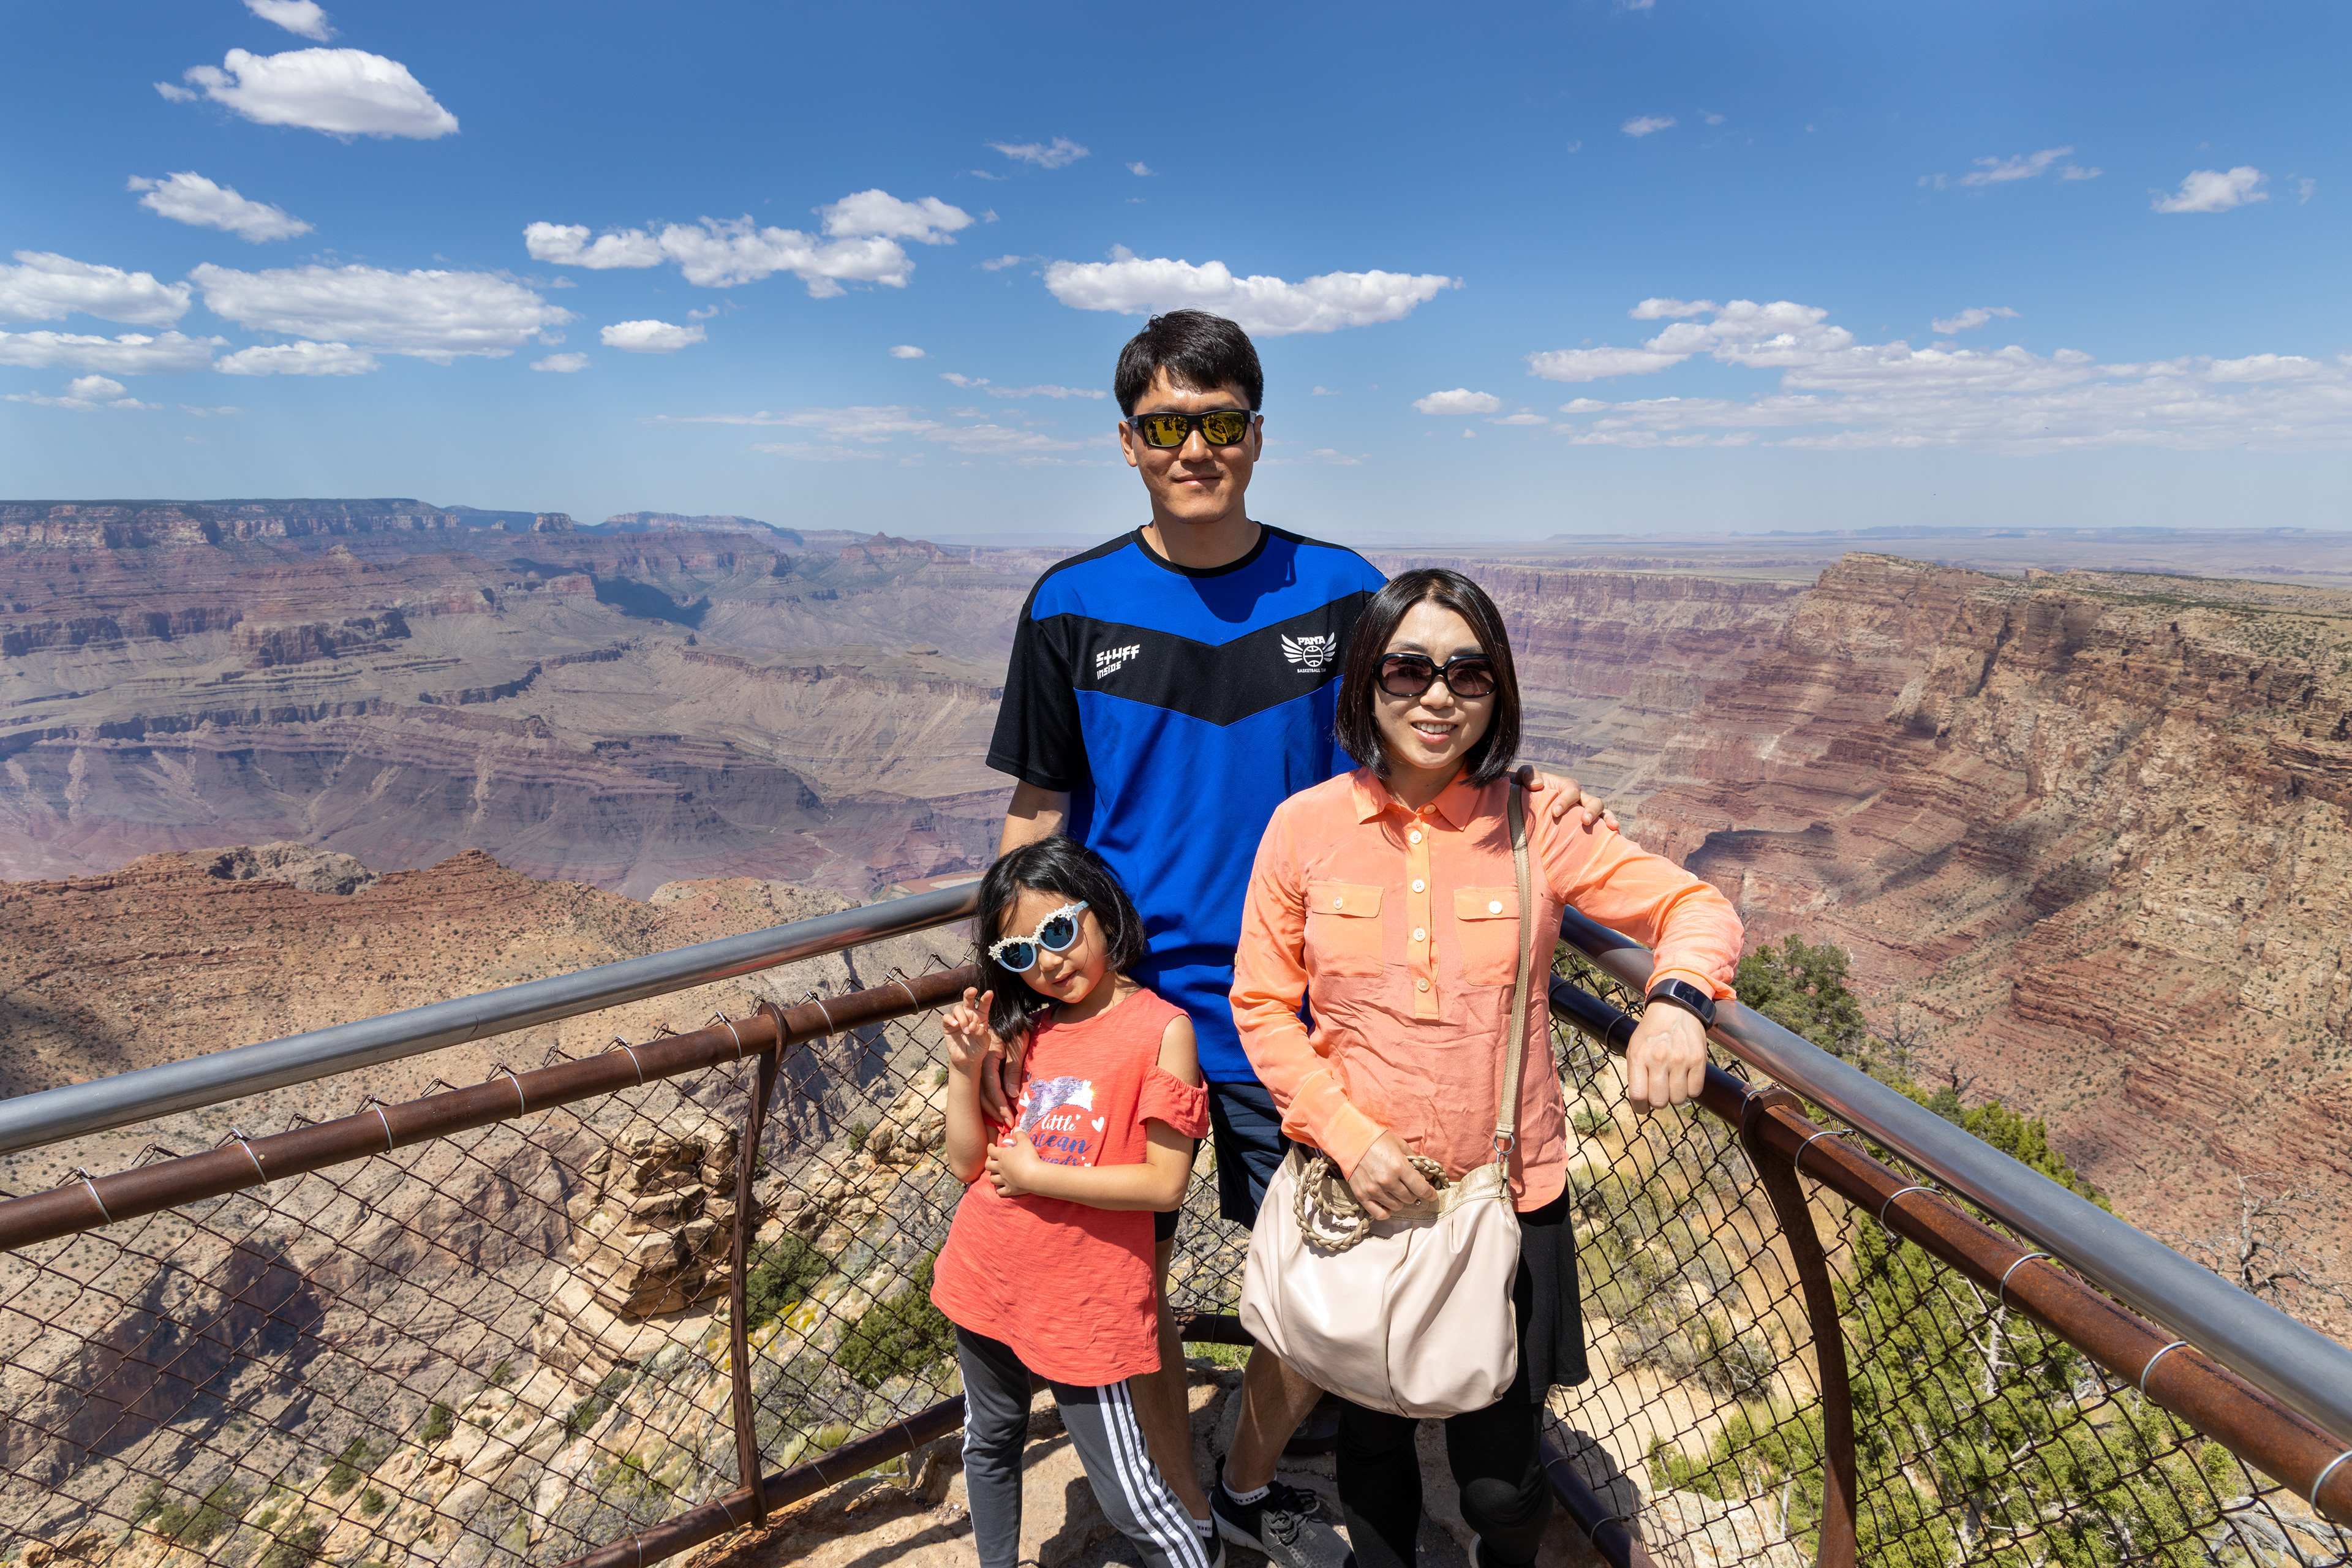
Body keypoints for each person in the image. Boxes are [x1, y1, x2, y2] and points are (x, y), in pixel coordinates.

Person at [985, 309, 1610, 1568]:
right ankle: (1183, 1508)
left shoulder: (1338, 591)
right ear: (1128, 441)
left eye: (1220, 421)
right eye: (1167, 424)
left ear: (1258, 435)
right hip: (1122, 1012)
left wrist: (1534, 802)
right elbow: (1040, 814)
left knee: (1329, 1278)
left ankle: (1243, 1482)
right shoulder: (1069, 605)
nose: (1195, 447)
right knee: (1126, 1286)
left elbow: (1417, 756)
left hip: (1300, 1021)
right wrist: (1006, 989)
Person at [1229, 568, 1744, 1568]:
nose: (1438, 695)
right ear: (1366, 683)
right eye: (1407, 670)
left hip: (1509, 1197)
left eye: (1467, 673)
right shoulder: (1306, 829)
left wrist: (1677, 1004)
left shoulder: (1539, 821)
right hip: (1361, 1193)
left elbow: (1694, 906)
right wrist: (1347, 1135)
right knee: (1371, 1438)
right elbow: (1260, 1002)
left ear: (1497, 690)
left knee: (1502, 1481)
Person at [929, 837, 1213, 1568]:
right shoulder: (1028, 1031)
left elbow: (1164, 1183)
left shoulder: (1162, 1032)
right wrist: (966, 1067)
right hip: (986, 1274)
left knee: (1129, 1495)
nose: (1049, 963)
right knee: (989, 1439)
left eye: (1059, 930)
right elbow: (967, 1162)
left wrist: (1037, 1176)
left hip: (1084, 1302)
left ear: (1103, 910)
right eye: (1022, 952)